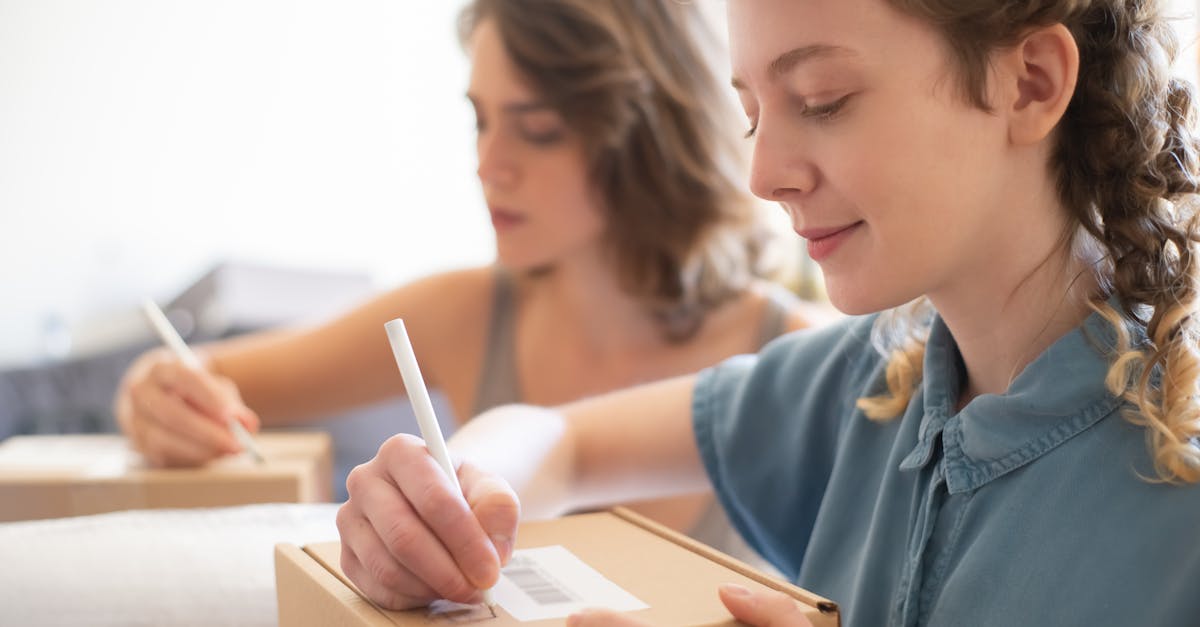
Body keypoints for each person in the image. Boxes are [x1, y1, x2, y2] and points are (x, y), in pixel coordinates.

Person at [335, 0, 1200, 625]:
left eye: (823, 100)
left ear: (1031, 82)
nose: (764, 172)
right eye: (753, 113)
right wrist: (456, 490)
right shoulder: (872, 381)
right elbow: (561, 439)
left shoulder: (1172, 504)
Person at [113, 0, 831, 547]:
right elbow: (189, 375)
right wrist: (154, 395)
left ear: (648, 134)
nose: (488, 165)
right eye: (480, 121)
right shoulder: (462, 311)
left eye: (536, 128)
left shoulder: (806, 358)